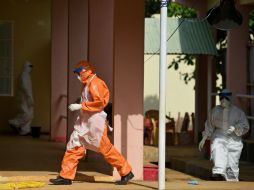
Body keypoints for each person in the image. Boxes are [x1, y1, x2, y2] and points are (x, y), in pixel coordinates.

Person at [49, 60, 134, 185]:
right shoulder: (88, 84)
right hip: (85, 122)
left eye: (78, 72)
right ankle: (65, 176)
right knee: (74, 145)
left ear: (86, 71)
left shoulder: (95, 83)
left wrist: (80, 106)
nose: (77, 76)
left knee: (106, 149)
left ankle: (126, 172)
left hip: (96, 122)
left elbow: (99, 103)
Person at [199, 89, 249, 181]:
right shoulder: (214, 111)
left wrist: (235, 128)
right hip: (219, 136)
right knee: (218, 150)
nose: (223, 100)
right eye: (221, 98)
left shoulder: (238, 112)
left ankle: (231, 178)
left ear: (230, 98)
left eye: (226, 98)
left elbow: (245, 126)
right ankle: (218, 173)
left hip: (234, 139)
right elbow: (209, 125)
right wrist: (204, 137)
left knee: (232, 161)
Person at [9, 61, 34, 135]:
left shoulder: (27, 75)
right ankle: (14, 122)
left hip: (27, 97)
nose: (31, 68)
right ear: (26, 67)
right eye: (30, 66)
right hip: (24, 98)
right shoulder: (24, 75)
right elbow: (25, 88)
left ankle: (25, 130)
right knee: (26, 114)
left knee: (30, 113)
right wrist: (29, 97)